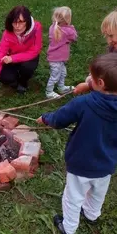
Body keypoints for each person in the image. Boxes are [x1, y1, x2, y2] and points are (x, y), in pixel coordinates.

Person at [37, 53, 117, 234]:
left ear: (101, 83)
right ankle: (92, 215)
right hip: (107, 164)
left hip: (81, 162)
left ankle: (68, 227)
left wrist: (45, 118)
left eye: (92, 78)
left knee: (73, 197)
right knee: (98, 192)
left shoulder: (84, 103)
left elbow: (59, 119)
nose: (89, 80)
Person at [0, 5, 42, 94]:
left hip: (28, 57)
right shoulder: (7, 34)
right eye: (14, 22)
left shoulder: (36, 28)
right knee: (4, 77)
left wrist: (13, 58)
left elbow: (35, 50)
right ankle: (15, 83)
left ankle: (23, 82)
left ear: (27, 21)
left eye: (21, 22)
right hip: (12, 60)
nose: (17, 26)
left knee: (27, 68)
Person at [74, 10, 117, 95]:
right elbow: (106, 68)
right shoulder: (113, 49)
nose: (109, 41)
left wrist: (89, 86)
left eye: (111, 36)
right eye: (106, 36)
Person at [45, 7, 77, 99]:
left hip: (55, 58)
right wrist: (71, 27)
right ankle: (49, 92)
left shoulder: (53, 27)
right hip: (57, 58)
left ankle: (61, 87)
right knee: (55, 75)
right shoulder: (67, 31)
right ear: (68, 19)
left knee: (62, 73)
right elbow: (74, 37)